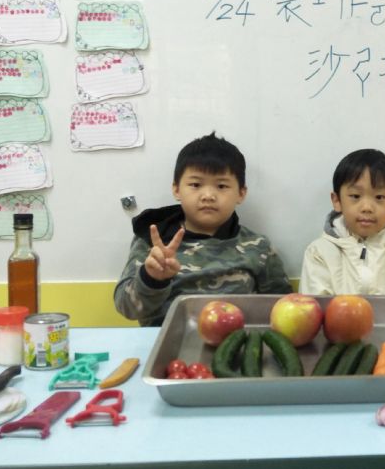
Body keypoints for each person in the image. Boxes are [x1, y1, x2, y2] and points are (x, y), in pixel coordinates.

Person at [114, 132, 292, 326]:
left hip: (237, 339)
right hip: (166, 340)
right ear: (176, 189)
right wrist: (153, 279)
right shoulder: (154, 241)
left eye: (221, 186)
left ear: (241, 193)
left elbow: (282, 309)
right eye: (196, 184)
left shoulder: (258, 247)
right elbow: (126, 308)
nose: (208, 195)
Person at [299, 148, 385, 319]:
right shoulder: (319, 252)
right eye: (355, 196)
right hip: (337, 335)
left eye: (379, 197)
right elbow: (314, 311)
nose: (366, 207)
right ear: (337, 201)